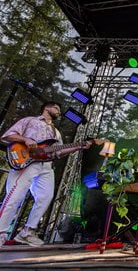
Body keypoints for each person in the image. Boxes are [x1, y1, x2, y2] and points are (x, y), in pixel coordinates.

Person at [0, 101, 92, 247]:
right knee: (15, 196)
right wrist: (26, 139)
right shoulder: (30, 121)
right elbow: (7, 136)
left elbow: (58, 152)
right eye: (56, 108)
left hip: (46, 166)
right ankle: (1, 232)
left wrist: (78, 147)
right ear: (46, 108)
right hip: (26, 161)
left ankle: (27, 232)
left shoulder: (56, 133)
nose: (58, 111)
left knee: (45, 197)